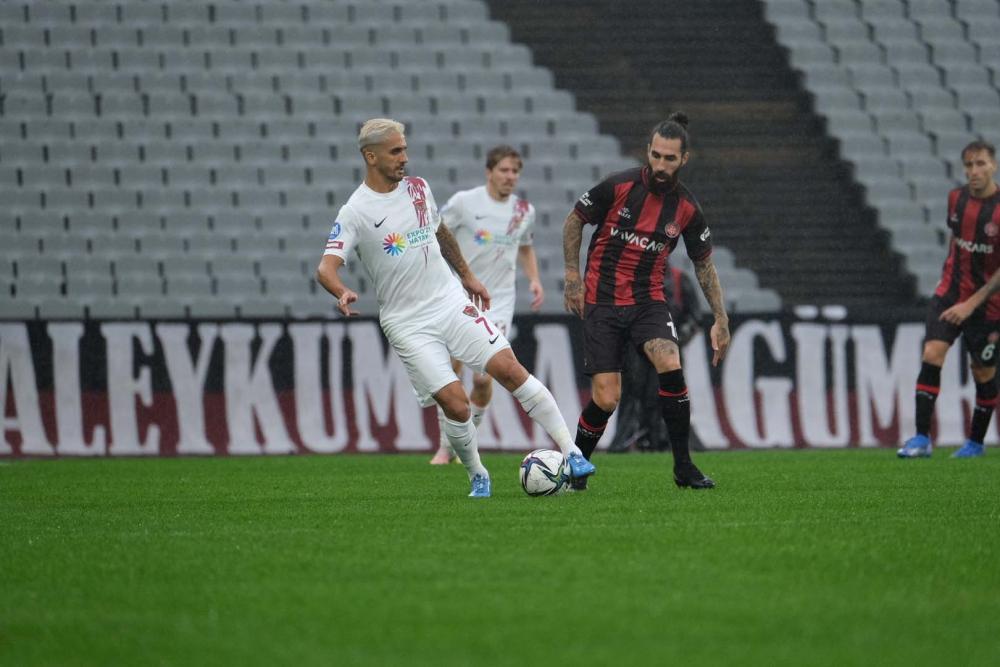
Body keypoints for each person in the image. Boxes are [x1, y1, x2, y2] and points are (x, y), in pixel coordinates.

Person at [316, 118, 595, 496]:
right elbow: (326, 267)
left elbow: (440, 231)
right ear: (371, 156)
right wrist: (341, 291)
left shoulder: (418, 188)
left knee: (509, 369)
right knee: (457, 406)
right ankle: (478, 473)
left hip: (449, 301)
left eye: (405, 149)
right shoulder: (356, 211)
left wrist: (466, 275)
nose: (405, 158)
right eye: (396, 151)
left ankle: (572, 451)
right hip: (407, 322)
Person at [562, 112, 730, 490]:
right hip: (602, 302)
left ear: (684, 159)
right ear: (648, 152)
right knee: (607, 399)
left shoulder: (687, 208)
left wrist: (721, 318)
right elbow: (574, 221)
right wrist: (573, 279)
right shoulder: (618, 186)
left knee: (670, 363)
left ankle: (683, 467)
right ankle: (576, 467)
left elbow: (704, 266)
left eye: (670, 158)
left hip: (648, 301)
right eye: (656, 155)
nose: (660, 165)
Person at [429, 145, 545, 465]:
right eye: (504, 170)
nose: (510, 177)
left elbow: (525, 247)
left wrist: (534, 279)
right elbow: (434, 229)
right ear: (489, 172)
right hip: (459, 296)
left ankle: (462, 445)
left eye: (515, 171)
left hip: (498, 302)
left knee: (482, 379)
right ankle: (445, 446)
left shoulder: (524, 211)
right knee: (450, 371)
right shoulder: (465, 203)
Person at [899, 139, 1000, 459]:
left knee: (982, 371)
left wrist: (972, 303)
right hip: (950, 293)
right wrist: (950, 282)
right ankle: (920, 439)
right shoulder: (955, 199)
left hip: (988, 304)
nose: (974, 171)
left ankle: (975, 443)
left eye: (981, 164)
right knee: (932, 353)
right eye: (969, 165)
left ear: (993, 166)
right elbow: (958, 242)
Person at [608, 262, 703, 453]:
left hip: (669, 349)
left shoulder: (679, 280)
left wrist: (676, 338)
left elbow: (695, 317)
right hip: (636, 350)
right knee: (634, 391)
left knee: (665, 392)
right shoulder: (631, 280)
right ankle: (630, 438)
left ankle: (663, 438)